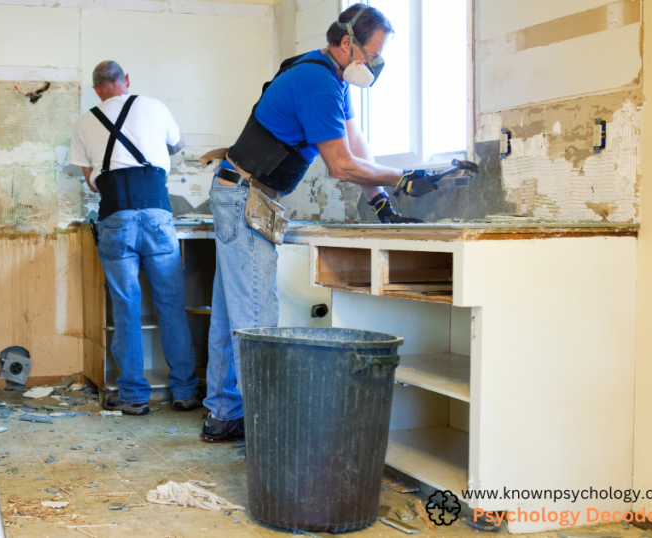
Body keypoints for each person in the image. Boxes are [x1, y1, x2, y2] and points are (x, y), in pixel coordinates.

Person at [199, 3, 451, 441]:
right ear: (347, 42)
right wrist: (403, 177)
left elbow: (357, 150)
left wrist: (384, 203)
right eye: (372, 54)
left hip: (240, 193)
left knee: (231, 314)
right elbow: (340, 166)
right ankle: (268, 434)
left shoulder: (332, 80)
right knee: (257, 318)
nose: (375, 65)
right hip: (245, 196)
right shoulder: (316, 81)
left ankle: (223, 415)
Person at [70, 61, 201, 416]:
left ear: (97, 89)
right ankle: (186, 392)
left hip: (116, 217)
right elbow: (179, 144)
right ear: (126, 81)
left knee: (126, 309)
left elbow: (91, 181)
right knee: (171, 306)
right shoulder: (154, 106)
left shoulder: (84, 122)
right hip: (158, 214)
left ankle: (132, 396)